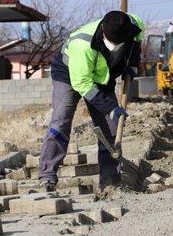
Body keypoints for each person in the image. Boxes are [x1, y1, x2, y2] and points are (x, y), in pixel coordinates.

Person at [38, 11, 144, 191]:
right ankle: (47, 175)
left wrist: (131, 66)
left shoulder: (134, 25)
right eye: (113, 43)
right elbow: (82, 83)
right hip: (70, 75)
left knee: (111, 127)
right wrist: (110, 106)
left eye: (119, 43)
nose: (116, 46)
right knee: (62, 118)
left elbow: (136, 44)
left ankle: (110, 182)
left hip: (101, 77)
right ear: (103, 30)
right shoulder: (83, 43)